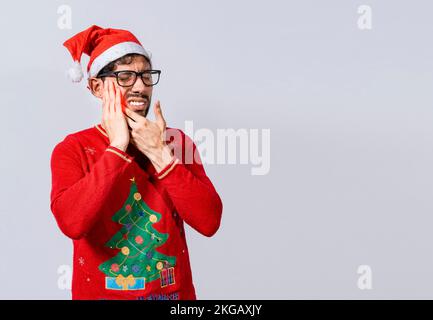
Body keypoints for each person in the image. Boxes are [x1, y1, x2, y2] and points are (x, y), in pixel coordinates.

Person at [50, 25, 223, 300]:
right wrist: (116, 147)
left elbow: (209, 221)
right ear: (97, 86)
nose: (140, 86)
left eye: (145, 76)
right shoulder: (73, 149)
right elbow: (73, 224)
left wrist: (161, 155)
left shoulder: (177, 143)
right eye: (126, 76)